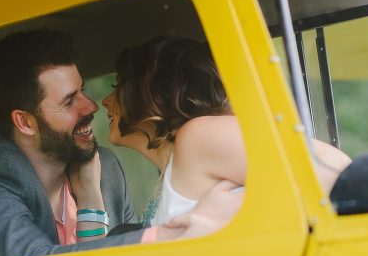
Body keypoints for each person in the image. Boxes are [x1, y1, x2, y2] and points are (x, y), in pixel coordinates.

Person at [0, 28, 237, 256]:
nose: (92, 105)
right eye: (69, 101)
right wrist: (166, 237)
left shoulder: (104, 167)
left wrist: (91, 194)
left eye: (84, 90)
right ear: (25, 122)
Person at [102, 36, 351, 227]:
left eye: (118, 86)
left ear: (153, 93)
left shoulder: (198, 137)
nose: (105, 100)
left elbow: (335, 169)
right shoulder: (178, 164)